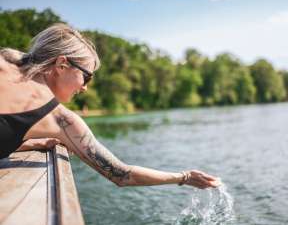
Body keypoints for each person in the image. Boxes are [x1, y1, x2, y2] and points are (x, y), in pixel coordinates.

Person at [0, 23, 220, 189]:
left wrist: (24, 142)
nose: (85, 88)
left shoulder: (5, 60)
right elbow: (122, 174)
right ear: (62, 64)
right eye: (86, 77)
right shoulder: (60, 120)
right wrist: (184, 177)